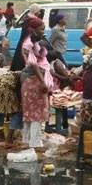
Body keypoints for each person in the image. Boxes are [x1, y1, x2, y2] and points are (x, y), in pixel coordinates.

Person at [21, 18, 53, 148]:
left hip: (31, 80)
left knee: (30, 112)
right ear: (33, 29)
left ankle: (28, 140)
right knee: (36, 113)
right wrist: (43, 82)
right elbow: (33, 65)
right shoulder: (28, 43)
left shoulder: (33, 42)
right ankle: (34, 143)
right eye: (41, 29)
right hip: (33, 81)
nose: (43, 32)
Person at [0, 70, 22, 144]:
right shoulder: (26, 76)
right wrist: (19, 103)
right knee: (17, 111)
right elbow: (18, 91)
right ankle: (8, 140)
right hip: (3, 85)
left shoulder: (18, 73)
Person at [10, 4, 42, 71]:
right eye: (39, 11)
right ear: (35, 11)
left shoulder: (27, 19)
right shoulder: (32, 20)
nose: (40, 13)